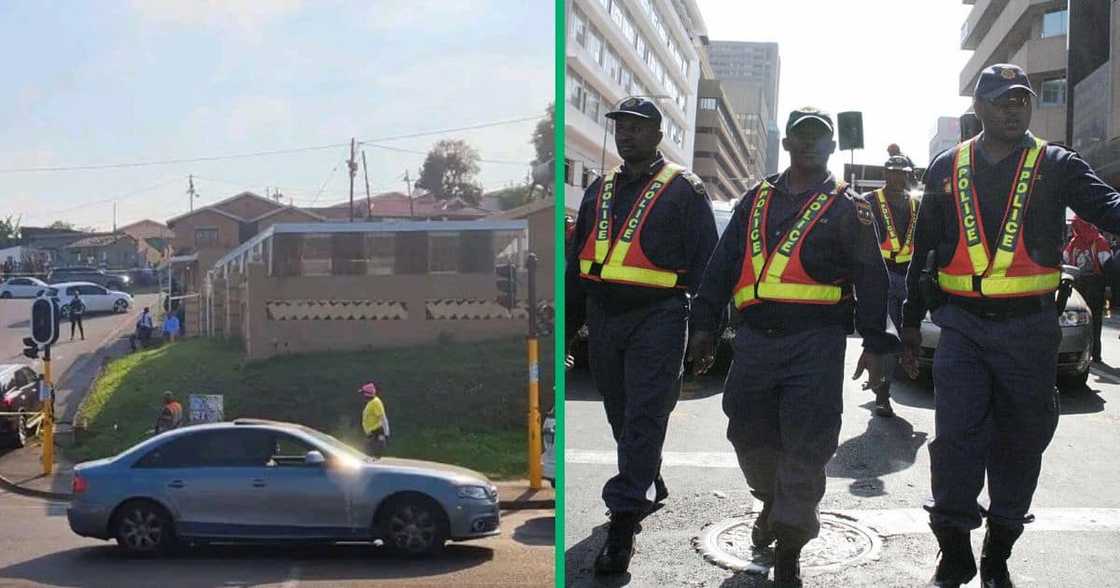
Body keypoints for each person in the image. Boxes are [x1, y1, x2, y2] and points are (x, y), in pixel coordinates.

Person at [900, 64, 1120, 587]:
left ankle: (999, 550)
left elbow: (1108, 207)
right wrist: (908, 322)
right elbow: (923, 247)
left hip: (1030, 331)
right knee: (956, 440)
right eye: (1001, 100)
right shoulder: (945, 167)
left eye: (1020, 99)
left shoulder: (1056, 164)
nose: (1013, 107)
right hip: (962, 328)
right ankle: (954, 549)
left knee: (1022, 440)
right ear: (979, 107)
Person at [687, 106, 896, 587]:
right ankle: (771, 502)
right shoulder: (755, 198)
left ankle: (790, 544)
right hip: (755, 342)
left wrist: (876, 341)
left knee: (806, 445)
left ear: (831, 147)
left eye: (819, 138)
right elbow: (722, 265)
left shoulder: (849, 206)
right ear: (787, 144)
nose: (809, 144)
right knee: (746, 434)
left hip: (816, 344)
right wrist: (703, 324)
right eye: (801, 136)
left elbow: (871, 275)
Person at [566, 97, 718, 575]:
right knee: (620, 413)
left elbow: (707, 266)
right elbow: (576, 265)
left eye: (637, 126)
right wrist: (568, 332)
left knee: (645, 415)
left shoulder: (684, 189)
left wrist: (704, 330)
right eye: (621, 126)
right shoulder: (599, 189)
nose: (626, 133)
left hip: (660, 316)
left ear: (657, 134)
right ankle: (646, 474)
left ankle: (624, 521)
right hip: (605, 316)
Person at [863, 150, 920, 417]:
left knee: (906, 333)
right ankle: (882, 395)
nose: (897, 178)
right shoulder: (870, 202)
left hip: (908, 277)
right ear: (885, 174)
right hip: (880, 276)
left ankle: (900, 369)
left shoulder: (916, 205)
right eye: (893, 173)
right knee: (885, 336)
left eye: (903, 174)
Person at [1063, 216, 1112, 363]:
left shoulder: (1073, 243)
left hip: (1077, 285)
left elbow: (1065, 260)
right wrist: (1109, 286)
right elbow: (1107, 265)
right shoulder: (1100, 241)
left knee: (1080, 320)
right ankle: (1096, 354)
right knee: (1096, 320)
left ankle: (1081, 352)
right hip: (1095, 285)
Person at [360, 382, 390, 457]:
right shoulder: (371, 402)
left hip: (377, 431)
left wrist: (386, 433)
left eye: (363, 393)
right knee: (367, 452)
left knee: (374, 453)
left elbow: (383, 418)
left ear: (367, 394)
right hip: (371, 433)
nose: (362, 396)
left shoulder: (376, 402)